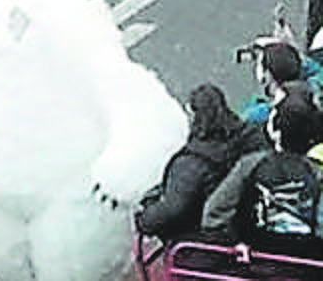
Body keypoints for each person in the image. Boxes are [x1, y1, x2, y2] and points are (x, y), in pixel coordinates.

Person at [135, 83, 269, 241]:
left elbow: (171, 210)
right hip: (247, 228)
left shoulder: (193, 162)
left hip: (206, 240)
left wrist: (143, 219)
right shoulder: (252, 139)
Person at [201, 90, 323, 258]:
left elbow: (213, 215)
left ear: (276, 133)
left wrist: (234, 242)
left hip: (255, 263)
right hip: (304, 267)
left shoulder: (250, 165)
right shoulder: (316, 173)